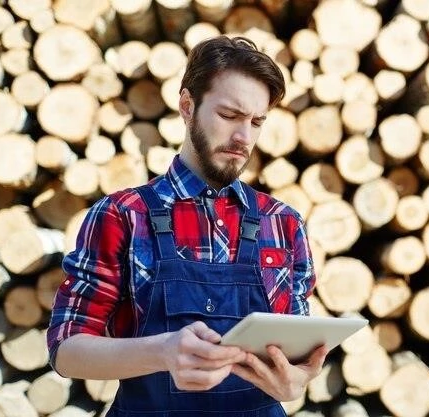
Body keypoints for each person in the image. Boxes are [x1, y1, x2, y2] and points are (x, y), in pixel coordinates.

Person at [47, 35, 328, 417]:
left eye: (257, 122)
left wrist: (297, 379)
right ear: (187, 105)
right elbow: (67, 350)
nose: (244, 137)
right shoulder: (122, 214)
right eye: (229, 116)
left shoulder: (283, 223)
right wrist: (161, 351)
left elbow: (293, 352)